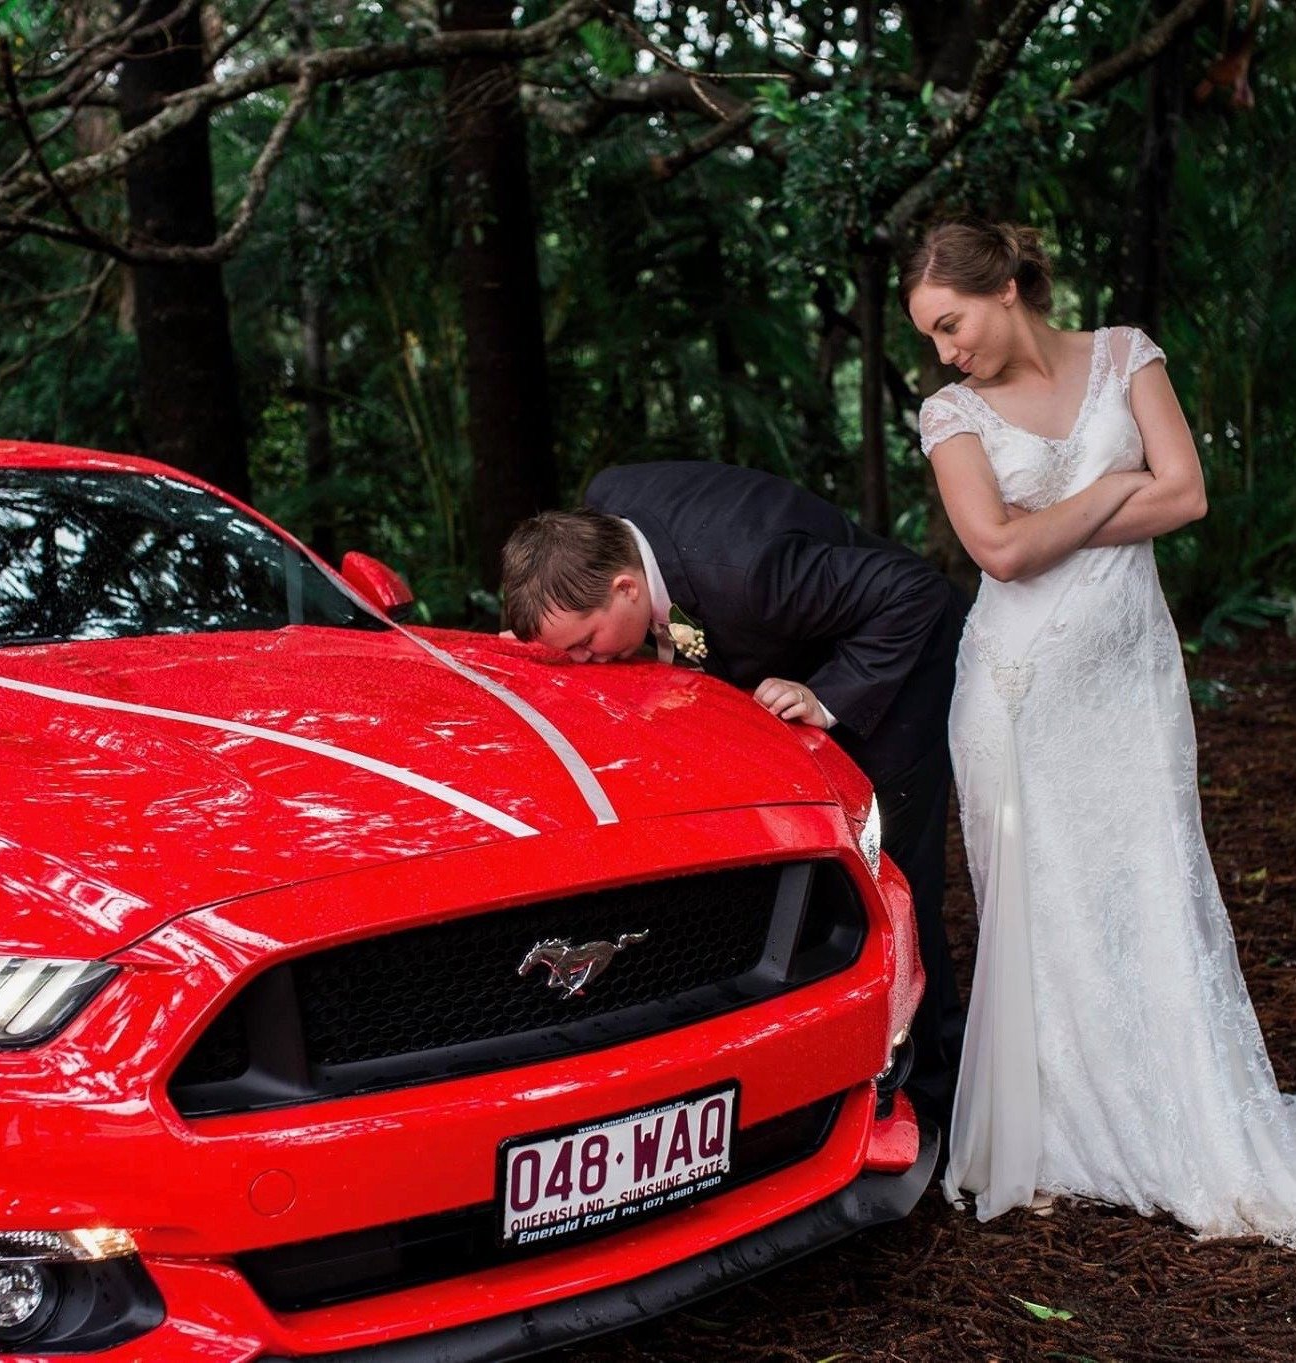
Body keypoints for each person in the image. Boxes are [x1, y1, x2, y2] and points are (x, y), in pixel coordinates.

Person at [904, 217, 1296, 1243]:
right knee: (1040, 903)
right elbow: (995, 548)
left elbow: (1191, 494)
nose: (945, 351)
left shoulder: (1125, 354)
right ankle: (1058, 1128)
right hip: (1015, 691)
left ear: (1002, 291)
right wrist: (1119, 485)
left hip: (1129, 679)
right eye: (932, 338)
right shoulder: (950, 412)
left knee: (1150, 875)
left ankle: (1173, 1103)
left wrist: (1070, 514)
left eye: (951, 324)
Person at [501, 461, 969, 1137]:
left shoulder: (752, 574)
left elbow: (916, 592)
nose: (582, 664)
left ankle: (930, 1091)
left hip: (896, 664)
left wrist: (828, 696)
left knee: (890, 871)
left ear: (627, 586)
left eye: (582, 645)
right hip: (793, 642)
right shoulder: (598, 515)